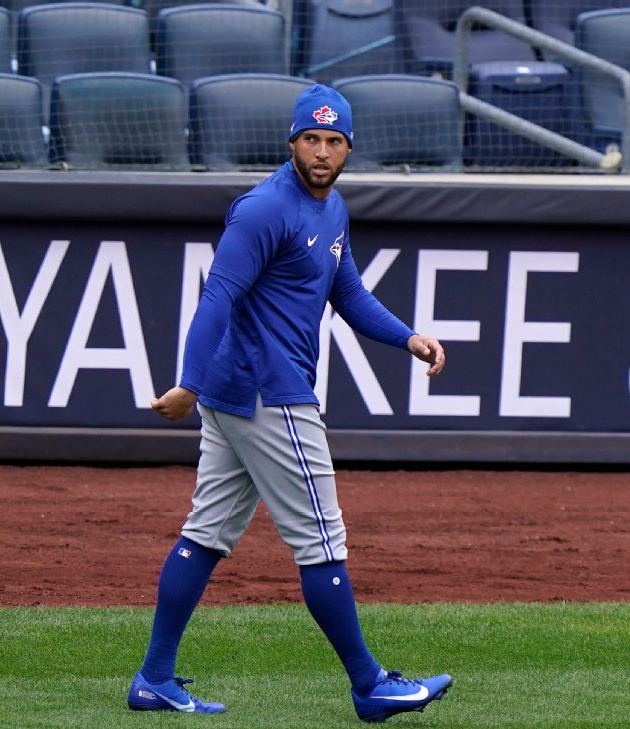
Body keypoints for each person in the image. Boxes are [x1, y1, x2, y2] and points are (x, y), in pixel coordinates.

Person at [127, 84, 452, 723]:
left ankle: (155, 678)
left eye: (334, 141)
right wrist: (188, 383)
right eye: (312, 139)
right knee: (322, 540)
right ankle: (369, 686)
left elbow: (348, 292)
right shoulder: (263, 209)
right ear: (292, 142)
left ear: (348, 147)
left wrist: (407, 336)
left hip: (239, 394)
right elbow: (217, 294)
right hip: (267, 394)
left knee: (206, 533)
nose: (323, 151)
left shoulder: (331, 209)